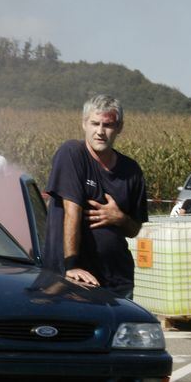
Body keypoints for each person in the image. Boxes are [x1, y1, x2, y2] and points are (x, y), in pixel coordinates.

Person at [43, 94, 148, 297]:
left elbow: (134, 229)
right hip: (74, 278)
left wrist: (119, 218)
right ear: (84, 124)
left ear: (119, 127)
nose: (100, 132)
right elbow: (71, 211)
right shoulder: (72, 153)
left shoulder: (131, 170)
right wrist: (71, 265)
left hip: (118, 279)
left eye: (107, 125)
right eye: (94, 123)